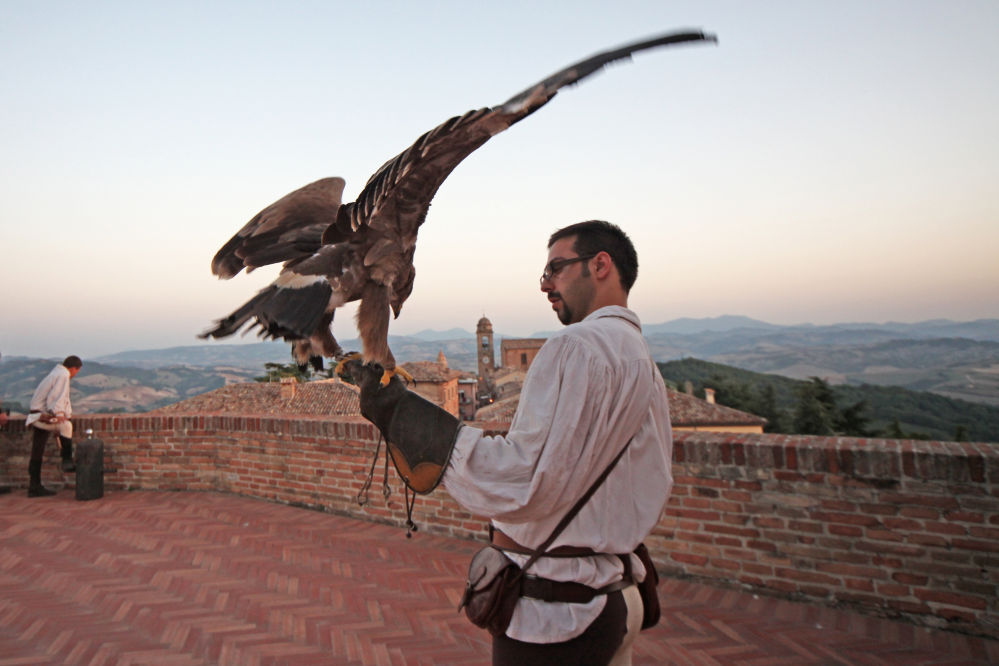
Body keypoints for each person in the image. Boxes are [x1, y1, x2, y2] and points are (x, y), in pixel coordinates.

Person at [351, 221, 673, 665]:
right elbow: (651, 477)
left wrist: (400, 414)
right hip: (619, 595)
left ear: (600, 266)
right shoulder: (640, 358)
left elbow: (522, 479)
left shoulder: (575, 347)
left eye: (556, 269)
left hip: (561, 613)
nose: (545, 284)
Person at [24, 355, 82, 497]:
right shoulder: (63, 374)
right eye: (77, 371)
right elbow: (57, 396)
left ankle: (34, 485)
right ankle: (67, 461)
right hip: (42, 415)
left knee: (37, 450)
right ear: (74, 369)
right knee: (66, 426)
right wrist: (59, 413)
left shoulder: (56, 372)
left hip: (37, 414)